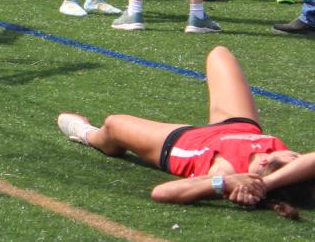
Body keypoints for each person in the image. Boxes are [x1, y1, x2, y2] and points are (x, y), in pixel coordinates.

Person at [57, 45, 314, 216]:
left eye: (292, 158)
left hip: (181, 142)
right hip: (238, 125)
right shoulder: (282, 171)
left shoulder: (228, 174)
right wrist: (266, 184)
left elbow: (161, 193)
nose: (297, 155)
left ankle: (90, 135)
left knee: (113, 124)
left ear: (267, 163)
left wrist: (224, 183)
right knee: (219, 54)